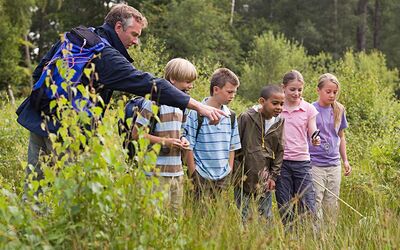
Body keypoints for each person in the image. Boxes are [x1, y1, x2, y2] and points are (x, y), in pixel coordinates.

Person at [16, 3, 225, 196]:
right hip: (70, 132)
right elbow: (151, 84)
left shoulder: (78, 38)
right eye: (134, 34)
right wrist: (198, 106)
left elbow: (40, 70)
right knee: (74, 194)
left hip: (39, 116)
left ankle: (28, 231)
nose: (135, 41)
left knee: (35, 188)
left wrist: (46, 103)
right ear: (118, 27)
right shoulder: (106, 55)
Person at [131, 58, 197, 216]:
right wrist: (165, 142)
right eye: (187, 82)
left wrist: (183, 140)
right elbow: (136, 134)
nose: (191, 86)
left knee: (175, 218)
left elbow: (180, 132)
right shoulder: (154, 103)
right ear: (173, 80)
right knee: (154, 217)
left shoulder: (183, 107)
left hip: (177, 172)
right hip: (155, 174)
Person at [184, 68, 241, 199]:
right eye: (229, 92)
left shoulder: (231, 116)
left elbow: (232, 146)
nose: (232, 96)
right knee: (198, 214)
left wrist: (229, 170)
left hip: (222, 176)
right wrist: (193, 173)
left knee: (217, 215)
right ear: (216, 89)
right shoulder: (196, 113)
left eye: (235, 92)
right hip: (201, 175)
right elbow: (189, 145)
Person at [275, 70, 320, 226]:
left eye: (299, 90)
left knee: (307, 202)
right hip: (282, 162)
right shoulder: (278, 109)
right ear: (284, 88)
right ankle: (289, 236)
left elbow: (312, 128)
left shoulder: (308, 109)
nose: (296, 93)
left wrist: (315, 137)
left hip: (302, 162)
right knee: (284, 203)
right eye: (292, 89)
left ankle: (308, 235)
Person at [233, 85, 285, 223]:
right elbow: (234, 146)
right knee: (242, 215)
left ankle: (264, 243)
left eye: (281, 104)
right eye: (275, 103)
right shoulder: (246, 117)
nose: (279, 107)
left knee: (265, 217)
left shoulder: (280, 122)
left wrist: (273, 176)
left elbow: (280, 151)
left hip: (265, 178)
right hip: (243, 178)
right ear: (262, 101)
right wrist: (236, 174)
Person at [309, 73, 352, 224]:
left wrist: (345, 160)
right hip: (315, 163)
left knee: (332, 202)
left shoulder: (339, 110)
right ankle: (316, 235)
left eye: (335, 92)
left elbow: (341, 136)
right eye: (328, 92)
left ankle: (330, 236)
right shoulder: (310, 109)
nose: (332, 95)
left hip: (334, 164)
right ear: (318, 90)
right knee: (315, 200)